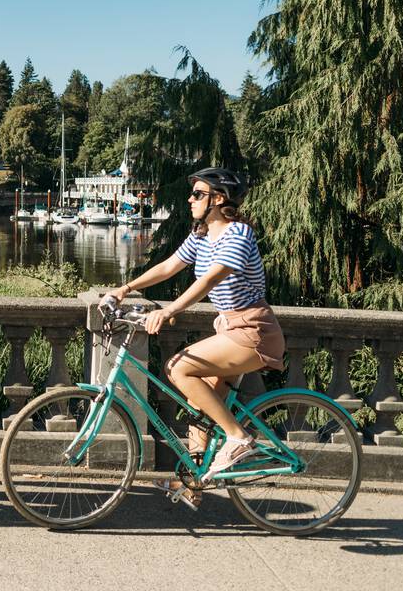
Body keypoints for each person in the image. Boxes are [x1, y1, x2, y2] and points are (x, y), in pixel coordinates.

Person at [100, 167, 284, 509]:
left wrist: (169, 311)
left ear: (218, 199)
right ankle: (195, 482)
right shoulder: (201, 235)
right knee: (200, 408)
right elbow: (169, 266)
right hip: (230, 329)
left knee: (178, 368)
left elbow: (209, 281)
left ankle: (239, 437)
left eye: (198, 194)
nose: (190, 199)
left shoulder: (238, 234)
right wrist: (125, 289)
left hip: (253, 332)